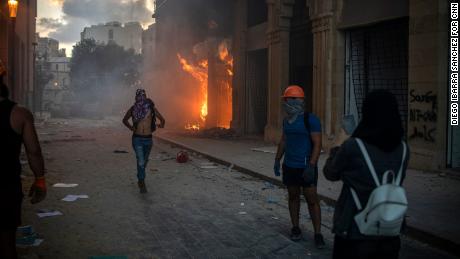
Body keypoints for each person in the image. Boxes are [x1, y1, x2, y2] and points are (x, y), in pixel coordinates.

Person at [323, 90, 410, 259]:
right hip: (390, 231)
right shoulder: (404, 149)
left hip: (355, 231)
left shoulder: (354, 146)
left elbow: (330, 173)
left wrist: (337, 145)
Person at [0, 62, 46, 258]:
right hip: (6, 187)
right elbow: (33, 151)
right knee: (7, 243)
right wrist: (40, 181)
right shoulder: (20, 114)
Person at [274, 85, 325, 248]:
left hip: (306, 166)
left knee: (312, 200)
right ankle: (295, 228)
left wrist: (311, 165)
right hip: (290, 166)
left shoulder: (311, 119)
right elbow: (284, 140)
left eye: (292, 99)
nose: (288, 102)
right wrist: (277, 159)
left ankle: (318, 234)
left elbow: (317, 144)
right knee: (293, 197)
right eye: (287, 99)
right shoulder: (286, 121)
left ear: (300, 101)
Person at [123, 89, 165, 193]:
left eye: (143, 96)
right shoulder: (133, 109)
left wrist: (159, 125)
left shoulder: (151, 108)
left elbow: (163, 120)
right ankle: (141, 181)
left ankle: (140, 174)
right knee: (141, 161)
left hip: (148, 140)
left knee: (144, 161)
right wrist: (130, 128)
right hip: (137, 139)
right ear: (136, 97)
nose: (141, 98)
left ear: (145, 97)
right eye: (139, 96)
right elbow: (124, 120)